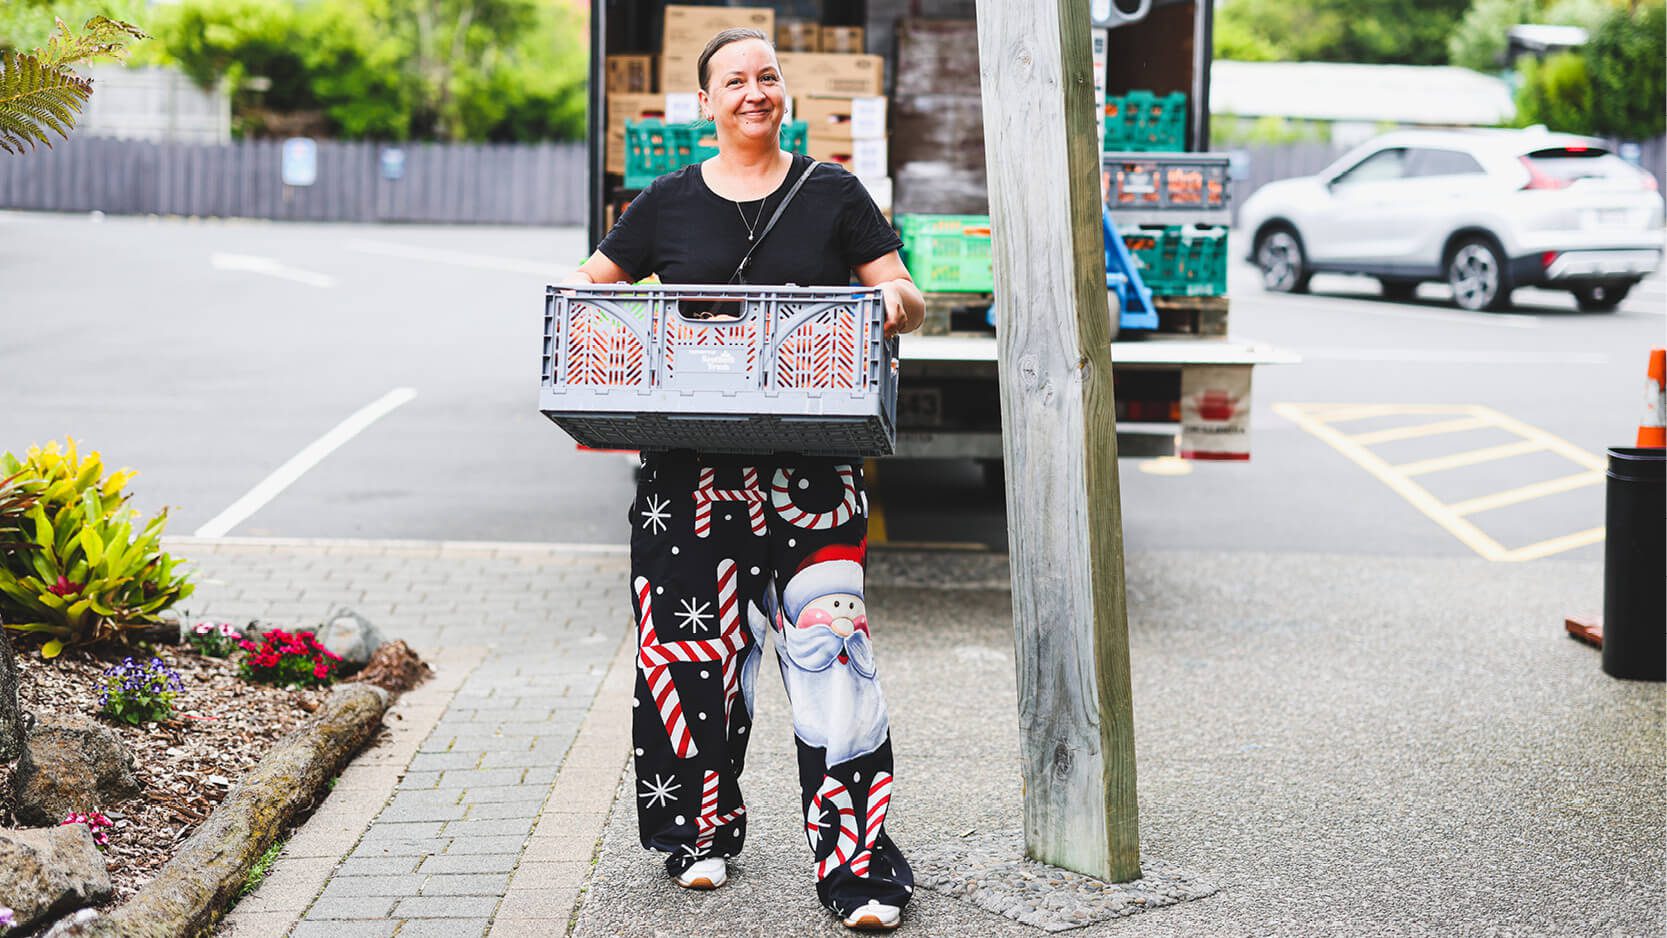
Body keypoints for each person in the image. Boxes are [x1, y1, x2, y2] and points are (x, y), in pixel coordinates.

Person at [562, 26, 926, 934]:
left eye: (767, 77)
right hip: (685, 473)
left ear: (783, 94)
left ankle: (854, 866)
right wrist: (595, 308)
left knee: (832, 654)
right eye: (735, 80)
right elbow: (590, 285)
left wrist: (891, 299)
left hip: (815, 474)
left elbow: (905, 293)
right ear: (705, 102)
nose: (753, 91)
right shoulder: (666, 203)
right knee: (692, 660)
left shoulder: (835, 193)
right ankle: (700, 833)